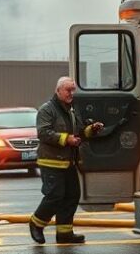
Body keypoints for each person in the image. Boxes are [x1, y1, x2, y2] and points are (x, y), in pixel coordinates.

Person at [29, 76, 104, 244]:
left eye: (73, 90)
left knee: (72, 195)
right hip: (51, 161)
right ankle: (36, 223)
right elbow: (43, 133)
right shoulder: (47, 110)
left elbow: (78, 134)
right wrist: (66, 139)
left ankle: (64, 233)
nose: (71, 93)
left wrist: (91, 130)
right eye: (68, 90)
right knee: (55, 195)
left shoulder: (71, 110)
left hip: (69, 162)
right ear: (58, 91)